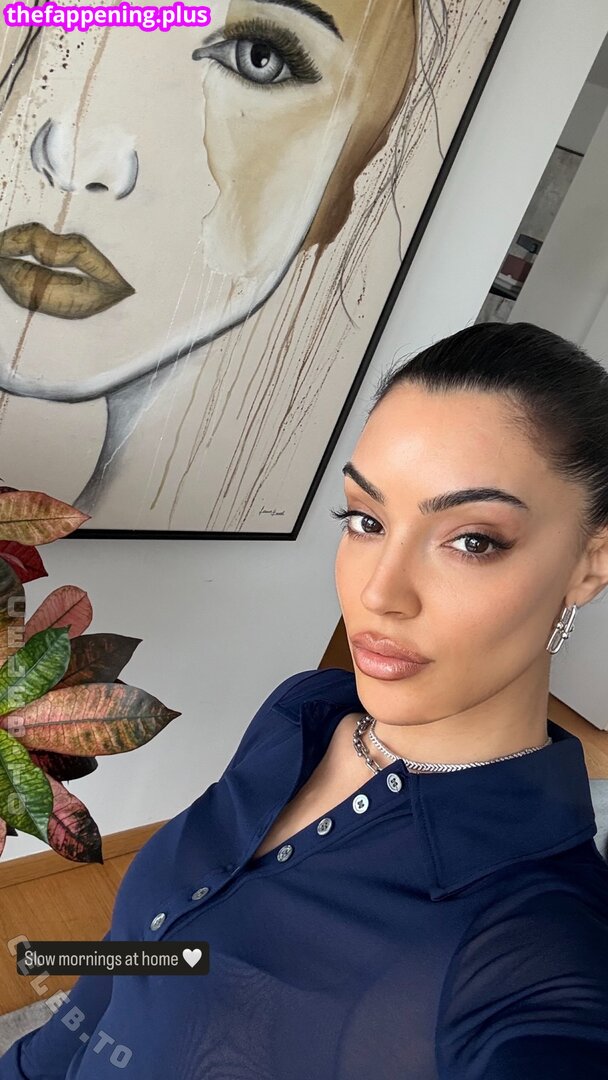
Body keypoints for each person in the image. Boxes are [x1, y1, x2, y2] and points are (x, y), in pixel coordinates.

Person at [2, 320, 608, 1078]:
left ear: (591, 561)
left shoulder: (538, 947)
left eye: (473, 540)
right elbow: (139, 959)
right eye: (367, 521)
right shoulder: (305, 711)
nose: (379, 592)